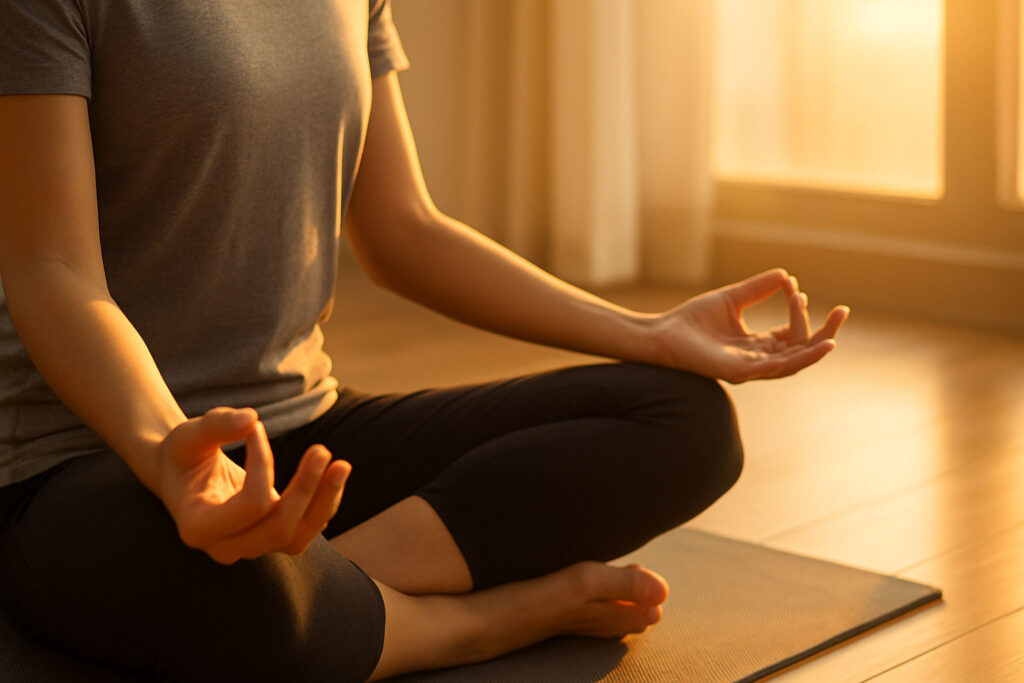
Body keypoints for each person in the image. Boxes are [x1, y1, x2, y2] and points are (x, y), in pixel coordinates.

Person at [0, 1, 849, 681]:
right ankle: (477, 622)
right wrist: (167, 455)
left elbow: (404, 230)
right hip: (83, 460)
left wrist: (647, 332)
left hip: (300, 434)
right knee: (247, 604)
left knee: (685, 423)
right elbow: (53, 271)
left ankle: (327, 592)